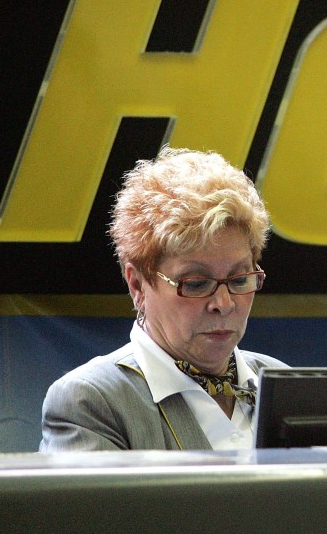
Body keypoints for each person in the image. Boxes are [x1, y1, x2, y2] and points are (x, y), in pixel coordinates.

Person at [40, 147, 287, 451]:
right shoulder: (92, 401)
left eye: (239, 280)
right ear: (137, 285)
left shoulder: (281, 383)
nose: (223, 303)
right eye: (196, 284)